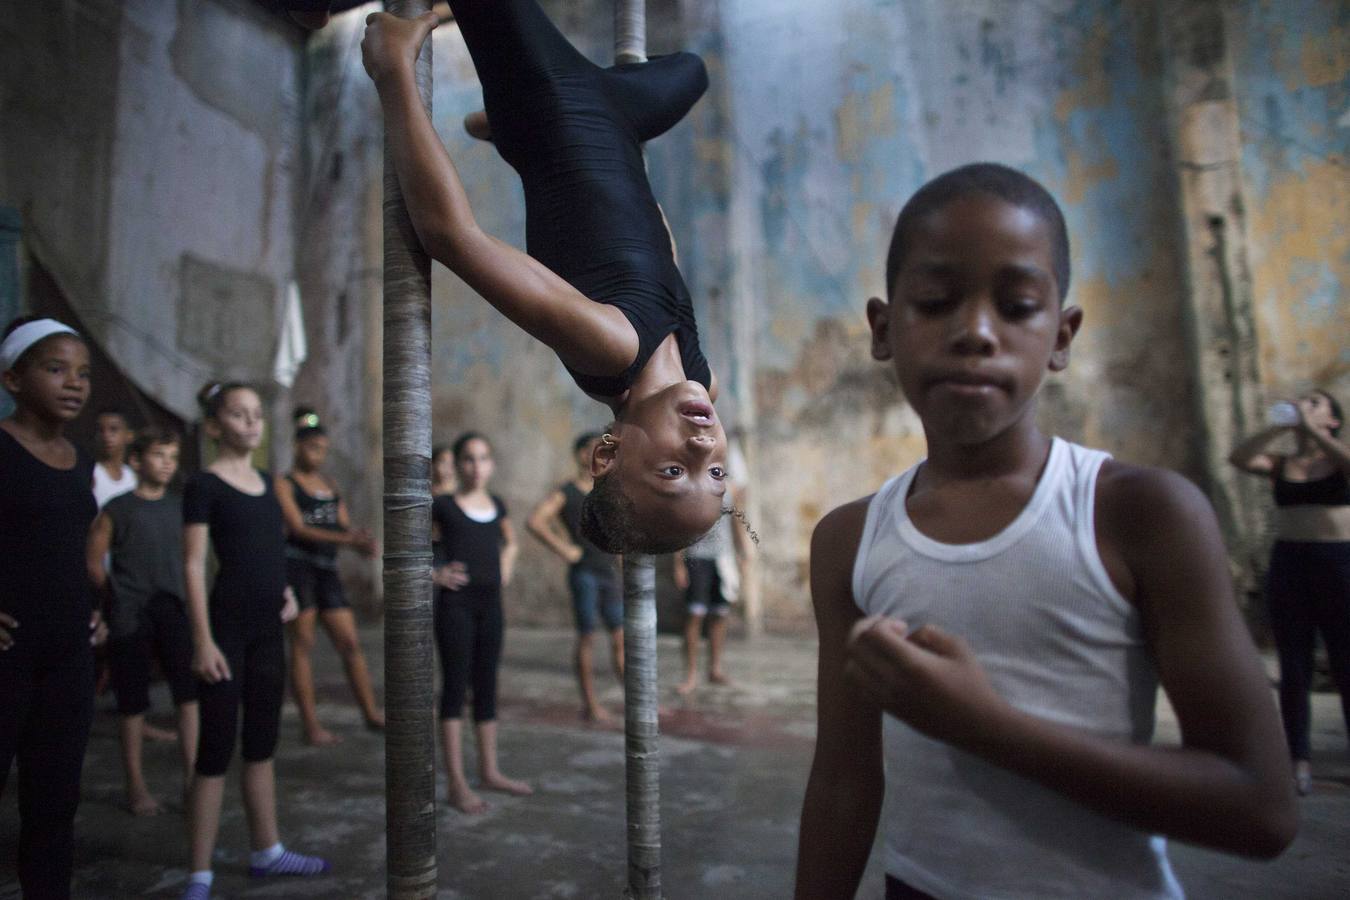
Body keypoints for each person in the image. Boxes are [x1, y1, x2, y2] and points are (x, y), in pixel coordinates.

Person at [794, 164, 1298, 900]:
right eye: (935, 302)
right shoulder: (849, 540)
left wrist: (989, 727)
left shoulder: (1139, 513)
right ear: (882, 329)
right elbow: (843, 780)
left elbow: (1262, 808)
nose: (975, 332)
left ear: (1061, 336)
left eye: (1018, 305)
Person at [362, 1, 729, 555]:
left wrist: (394, 74)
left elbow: (452, 237)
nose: (704, 447)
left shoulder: (608, 346)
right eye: (718, 474)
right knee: (692, 71)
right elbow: (661, 255)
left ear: (606, 455)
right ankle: (502, 126)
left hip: (553, 102)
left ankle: (508, 118)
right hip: (619, 121)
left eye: (675, 470)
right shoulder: (702, 378)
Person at [180, 382, 329, 900]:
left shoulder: (268, 483)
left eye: (257, 415)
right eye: (239, 415)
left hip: (269, 628)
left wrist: (287, 591)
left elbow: (271, 551)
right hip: (225, 631)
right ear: (216, 424)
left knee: (262, 743)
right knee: (215, 749)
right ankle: (199, 872)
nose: (251, 423)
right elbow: (195, 564)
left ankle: (267, 849)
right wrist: (202, 640)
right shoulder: (204, 485)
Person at [0, 316, 106, 900]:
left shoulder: (82, 460)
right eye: (56, 368)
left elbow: (72, 550)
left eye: (84, 373)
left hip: (69, 653)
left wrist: (94, 608)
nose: (75, 383)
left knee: (54, 801)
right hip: (9, 650)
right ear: (13, 379)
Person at [1230, 389, 1350, 796]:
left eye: (1315, 403)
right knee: (1293, 667)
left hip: (1339, 564)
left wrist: (1312, 432)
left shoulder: (1336, 460)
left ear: (1332, 420)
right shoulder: (1282, 464)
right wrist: (1278, 426)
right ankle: (1298, 757)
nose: (1305, 405)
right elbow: (1240, 457)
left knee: (1345, 661)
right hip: (1290, 564)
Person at [87, 426, 200, 816]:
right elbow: (92, 561)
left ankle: (192, 782)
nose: (167, 464)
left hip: (173, 609)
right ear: (136, 461)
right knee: (133, 703)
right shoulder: (117, 509)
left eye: (172, 457)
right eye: (158, 456)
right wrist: (115, 597)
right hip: (130, 612)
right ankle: (136, 786)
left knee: (188, 696)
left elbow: (193, 559)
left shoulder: (180, 506)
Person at [432, 432, 531, 813]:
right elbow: (404, 548)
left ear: (491, 465)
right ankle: (457, 783)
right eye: (469, 459)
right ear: (457, 465)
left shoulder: (497, 504)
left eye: (483, 458)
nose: (477, 467)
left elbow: (511, 541)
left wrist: (506, 565)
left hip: (492, 606)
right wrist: (433, 573)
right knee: (456, 688)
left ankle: (489, 771)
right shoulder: (443, 506)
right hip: (456, 606)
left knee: (487, 686)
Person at [278, 407, 382, 746]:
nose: (317, 454)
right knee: (302, 645)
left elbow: (341, 526)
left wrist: (359, 541)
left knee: (350, 643)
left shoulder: (330, 484)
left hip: (327, 570)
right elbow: (297, 528)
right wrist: (346, 539)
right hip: (299, 570)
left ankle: (370, 712)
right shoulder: (285, 483)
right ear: (297, 446)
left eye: (322, 448)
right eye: (311, 447)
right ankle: (311, 725)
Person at [526, 432, 624, 722]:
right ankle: (590, 705)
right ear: (583, 454)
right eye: (597, 449)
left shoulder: (608, 489)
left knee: (620, 639)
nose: (603, 455)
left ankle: (636, 699)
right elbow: (535, 521)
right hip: (585, 575)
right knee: (587, 638)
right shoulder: (566, 491)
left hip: (609, 573)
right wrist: (564, 549)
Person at [673, 497, 749, 695]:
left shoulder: (728, 491)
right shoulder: (692, 488)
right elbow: (681, 527)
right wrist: (678, 563)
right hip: (696, 558)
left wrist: (742, 554)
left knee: (720, 614)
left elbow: (736, 522)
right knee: (694, 615)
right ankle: (690, 675)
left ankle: (715, 669)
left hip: (723, 559)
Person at [92, 408, 138, 508]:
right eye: (100, 430)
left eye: (113, 429)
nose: (106, 436)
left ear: (129, 435)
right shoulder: (91, 473)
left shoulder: (133, 478)